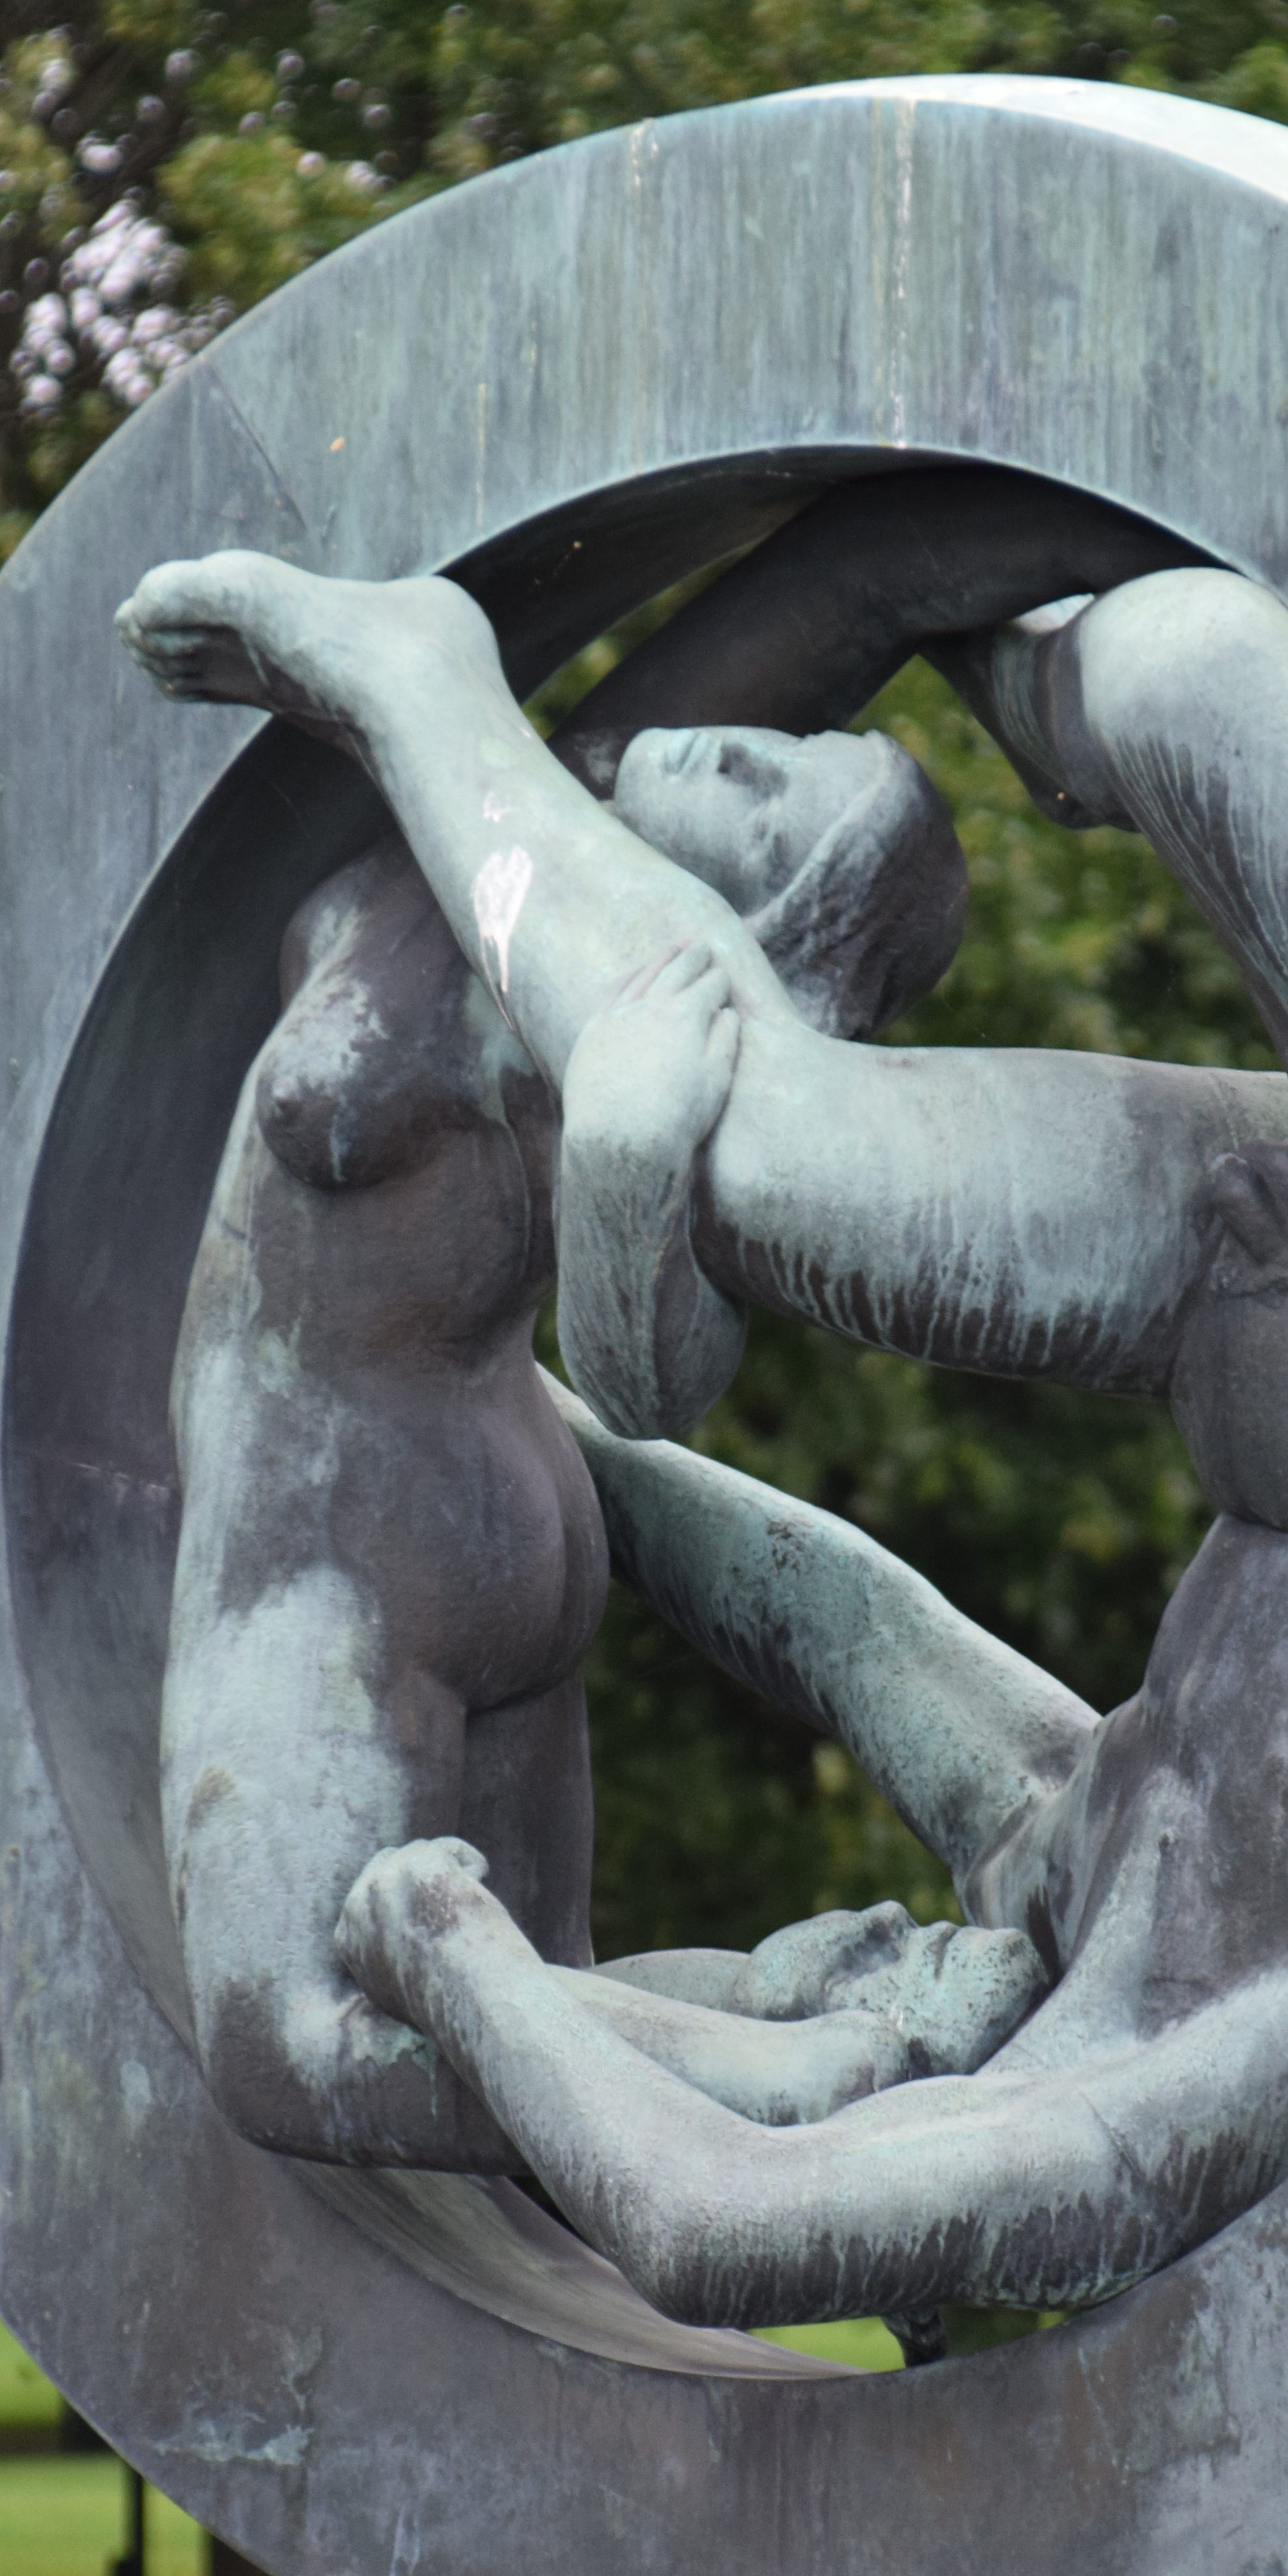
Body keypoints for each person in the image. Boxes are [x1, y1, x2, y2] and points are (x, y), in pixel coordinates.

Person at [118, 546, 1288, 2329]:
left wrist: (545, 1967)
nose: (930, 1968)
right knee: (775, 1118)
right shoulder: (1203, 1998)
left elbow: (728, 2209)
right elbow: (724, 2211)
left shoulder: (1139, 1978)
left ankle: (961, 664)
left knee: (770, 1128)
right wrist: (463, 1946)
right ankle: (448, 678)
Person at [151, 690, 1050, 2174]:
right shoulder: (555, 869)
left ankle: (819, 2083)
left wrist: (629, 1151)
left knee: (288, 2042)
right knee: (541, 1986)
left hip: (344, 1536)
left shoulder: (602, 984)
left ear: (746, 913)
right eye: (793, 739)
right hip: (502, 1488)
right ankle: (813, 1999)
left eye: (769, 794)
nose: (740, 740)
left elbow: (648, 1375)